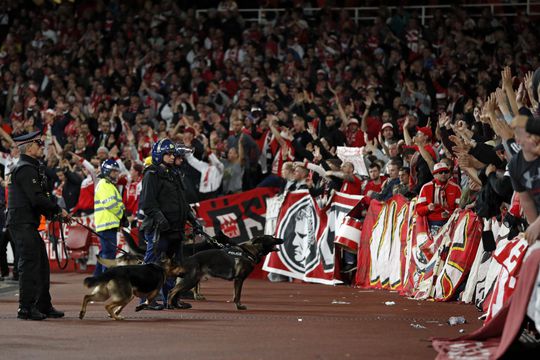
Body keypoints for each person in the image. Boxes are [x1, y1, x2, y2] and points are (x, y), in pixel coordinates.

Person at [6, 130, 70, 320]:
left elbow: (37, 199)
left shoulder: (29, 167)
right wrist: (57, 210)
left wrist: (55, 213)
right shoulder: (26, 169)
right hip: (22, 223)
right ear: (30, 147)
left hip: (26, 223)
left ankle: (43, 304)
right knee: (30, 264)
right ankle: (25, 308)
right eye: (38, 144)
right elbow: (36, 198)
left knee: (41, 264)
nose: (41, 147)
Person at [139, 138, 202, 309]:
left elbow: (183, 202)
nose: (172, 156)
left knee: (174, 266)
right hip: (159, 229)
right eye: (168, 154)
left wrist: (193, 220)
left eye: (173, 153)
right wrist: (161, 220)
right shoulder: (151, 174)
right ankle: (147, 299)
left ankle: (171, 299)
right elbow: (147, 204)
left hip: (176, 229)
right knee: (152, 265)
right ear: (159, 155)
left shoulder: (175, 174)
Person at [93, 159, 126, 276]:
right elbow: (111, 204)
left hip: (108, 224)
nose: (116, 174)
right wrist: (122, 215)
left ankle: (96, 280)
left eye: (117, 172)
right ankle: (106, 282)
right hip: (107, 225)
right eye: (113, 172)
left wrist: (122, 215)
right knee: (109, 255)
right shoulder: (104, 185)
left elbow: (117, 204)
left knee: (104, 253)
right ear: (107, 171)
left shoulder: (108, 185)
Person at [416, 162, 462, 235]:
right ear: (434, 175)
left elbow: (460, 207)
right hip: (433, 223)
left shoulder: (456, 188)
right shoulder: (426, 188)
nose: (443, 174)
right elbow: (419, 210)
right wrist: (427, 207)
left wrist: (453, 213)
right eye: (440, 172)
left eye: (446, 172)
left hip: (451, 221)